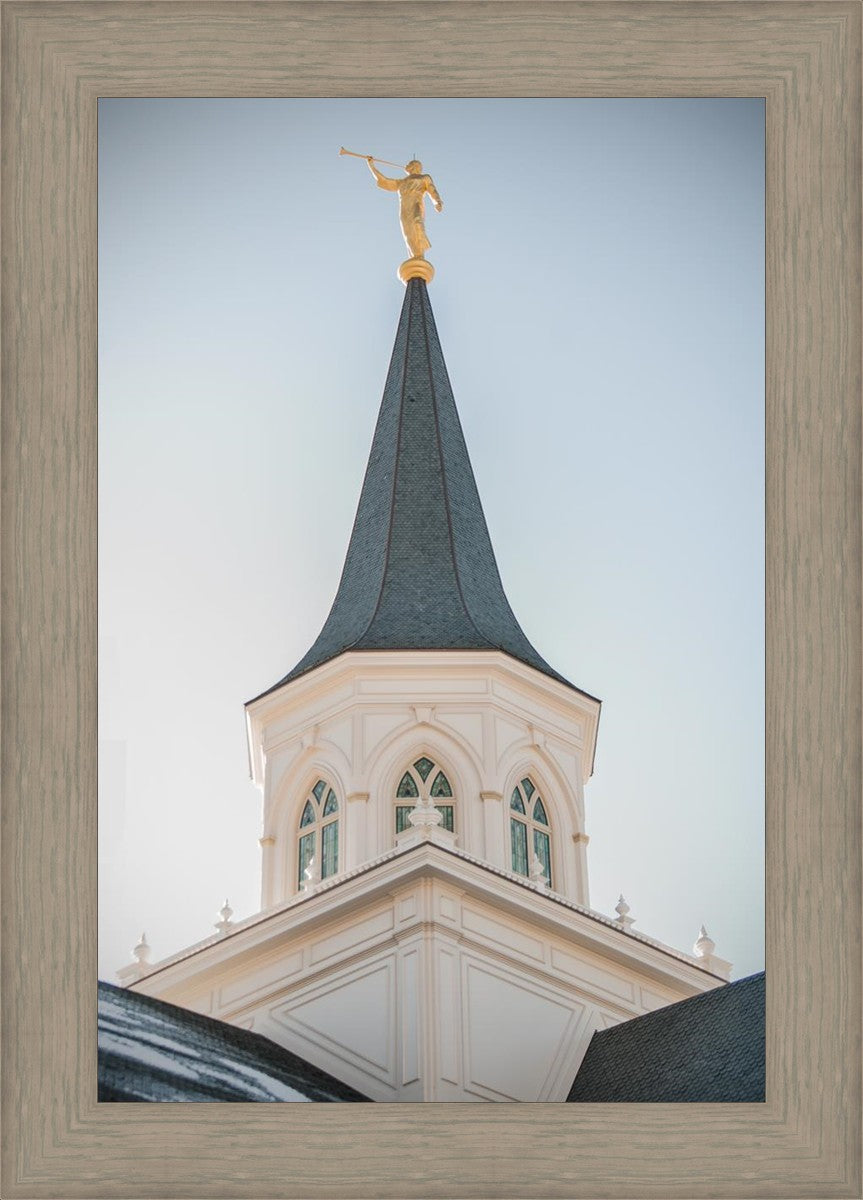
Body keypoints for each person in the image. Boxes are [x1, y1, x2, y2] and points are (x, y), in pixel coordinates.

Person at [367, 158, 443, 259]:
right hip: (404, 208)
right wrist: (372, 166)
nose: (406, 165)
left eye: (409, 164)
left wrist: (437, 202)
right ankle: (414, 256)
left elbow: (432, 190)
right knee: (408, 232)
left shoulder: (424, 177)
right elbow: (384, 181)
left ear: (415, 166)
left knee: (417, 222)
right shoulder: (401, 182)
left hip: (416, 203)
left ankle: (420, 254)